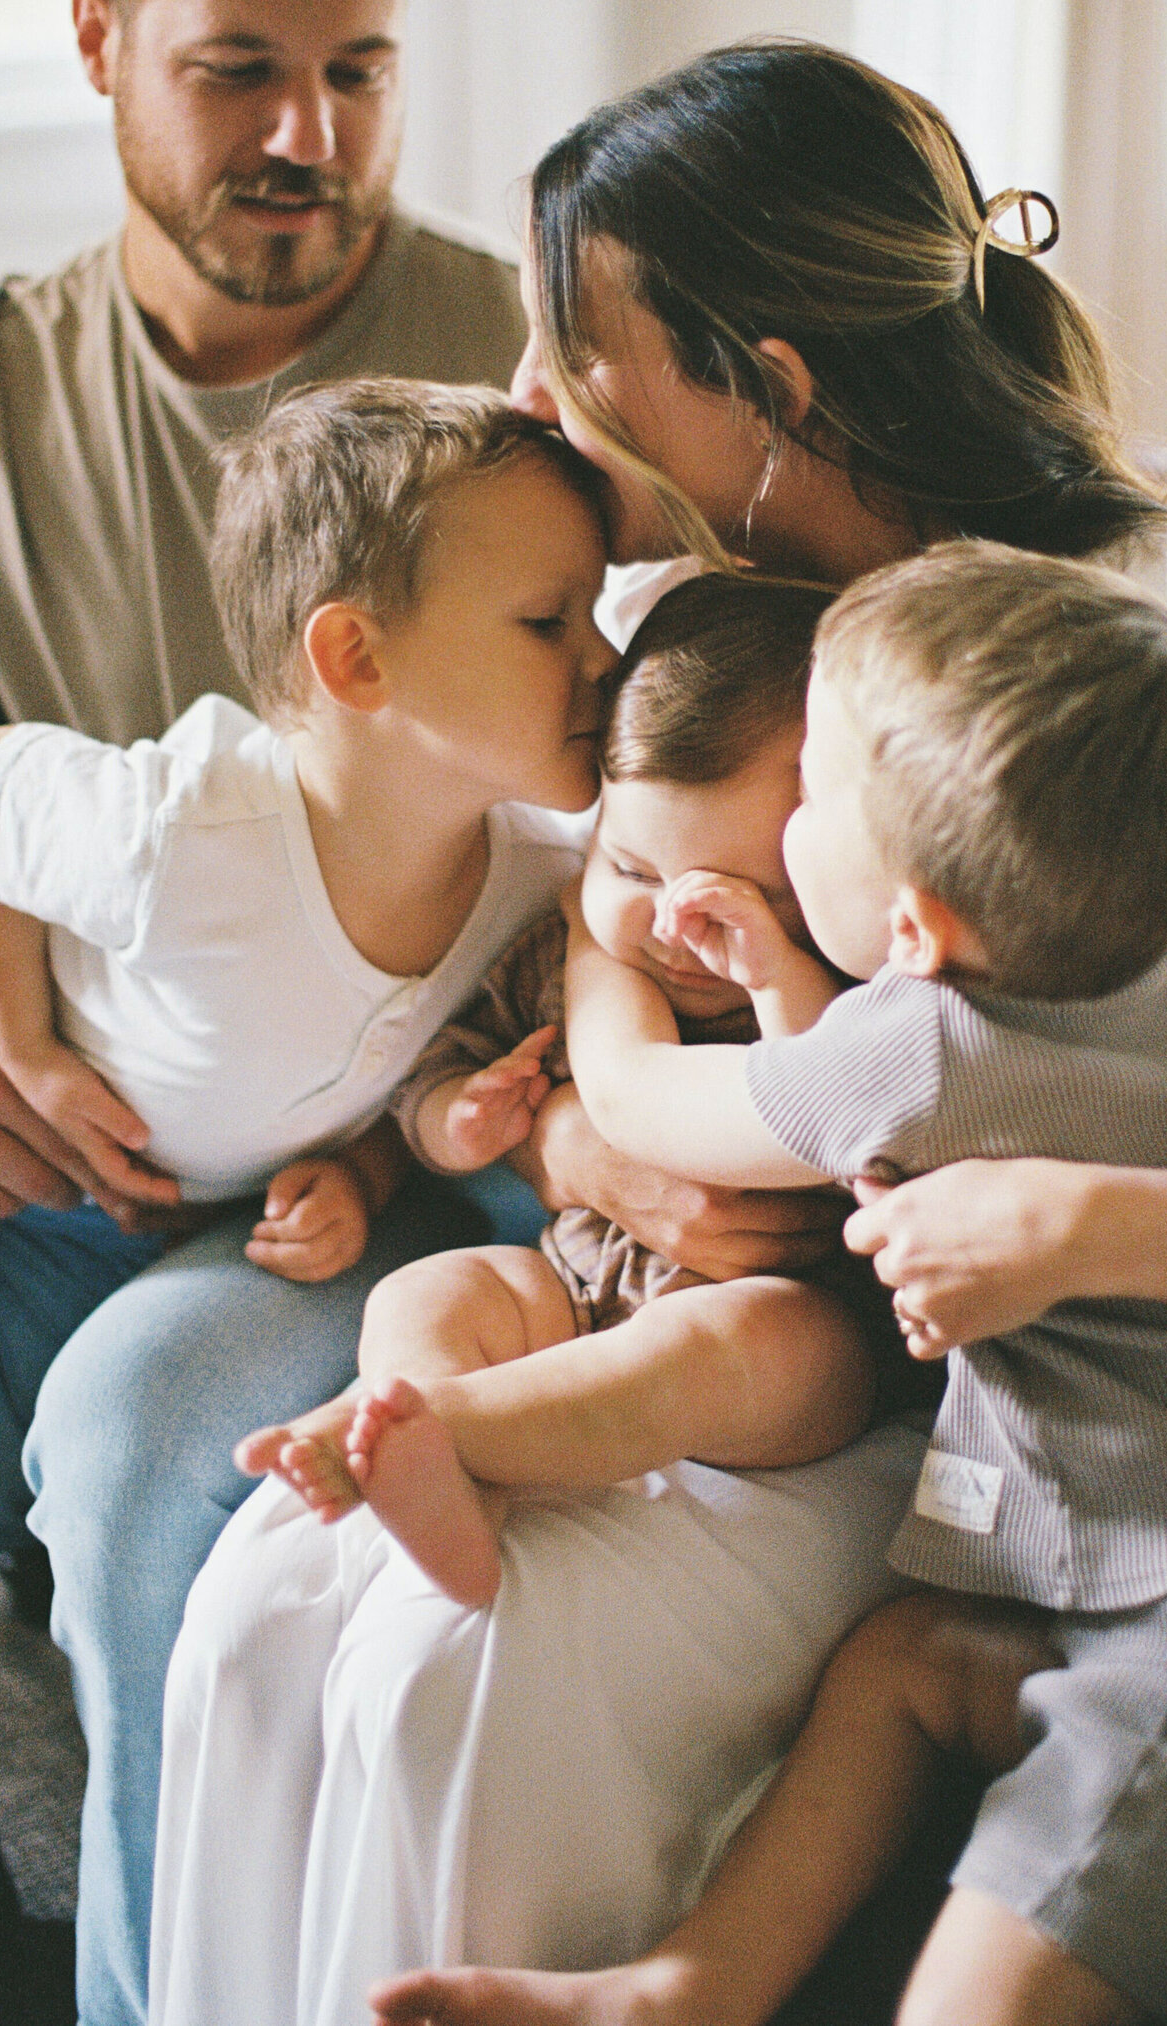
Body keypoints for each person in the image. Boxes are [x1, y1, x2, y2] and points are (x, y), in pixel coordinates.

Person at [150, 40, 1167, 2026]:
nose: (537, 397)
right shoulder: (689, 586)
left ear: (762, 380)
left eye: (580, 349)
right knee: (259, 1600)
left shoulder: (1113, 637)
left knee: (451, 1670)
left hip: (978, 1408)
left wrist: (1072, 1225)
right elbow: (595, 940)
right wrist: (587, 1142)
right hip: (689, 1286)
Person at [380, 541, 1167, 2026]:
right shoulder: (1147, 976)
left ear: (912, 930)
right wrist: (762, 960)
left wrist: (596, 914)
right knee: (900, 1668)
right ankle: (680, 1988)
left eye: (813, 791)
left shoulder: (917, 1049)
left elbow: (635, 1104)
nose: (794, 812)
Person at [0, 0, 535, 2026]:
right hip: (164, 1152)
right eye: (237, 67)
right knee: (32, 1370)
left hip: (456, 1144)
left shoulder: (510, 378)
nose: (308, 141)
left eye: (359, 69)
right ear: (93, 39)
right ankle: (6, 1919)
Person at [232, 572, 898, 1609]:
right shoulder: (561, 961)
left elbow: (842, 1108)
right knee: (431, 1293)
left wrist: (775, 973)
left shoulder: (849, 985)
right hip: (575, 1289)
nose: (675, 926)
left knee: (720, 1345)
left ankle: (444, 1428)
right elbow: (435, 1079)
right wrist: (458, 1120)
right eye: (632, 871)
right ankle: (439, 1462)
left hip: (796, 1323)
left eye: (744, 896)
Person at [0, 379, 610, 1296]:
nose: (605, 658)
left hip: (148, 1219)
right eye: (547, 621)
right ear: (357, 660)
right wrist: (24, 1053)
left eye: (599, 614)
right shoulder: (184, 839)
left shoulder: (542, 872)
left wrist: (359, 1175)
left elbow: (398, 1064)